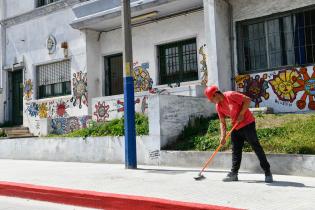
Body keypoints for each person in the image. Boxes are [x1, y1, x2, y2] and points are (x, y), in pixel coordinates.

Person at [204, 85, 273, 183]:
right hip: (235, 127)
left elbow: (247, 100)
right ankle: (234, 174)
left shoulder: (231, 95)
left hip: (247, 123)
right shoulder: (218, 106)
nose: (211, 101)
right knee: (236, 150)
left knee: (256, 146)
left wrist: (241, 113)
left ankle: (267, 172)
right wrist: (223, 136)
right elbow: (222, 122)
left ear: (215, 94)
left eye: (211, 99)